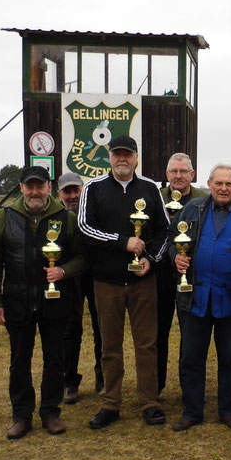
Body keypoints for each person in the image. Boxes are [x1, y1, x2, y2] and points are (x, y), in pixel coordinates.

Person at [77, 135, 168, 429]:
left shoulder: (151, 188)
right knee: (109, 345)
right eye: (117, 154)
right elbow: (85, 229)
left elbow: (164, 232)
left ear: (136, 158)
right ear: (109, 157)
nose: (122, 159)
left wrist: (150, 259)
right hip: (107, 281)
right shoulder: (94, 188)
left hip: (143, 281)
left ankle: (149, 401)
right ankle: (110, 404)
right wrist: (122, 241)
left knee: (147, 344)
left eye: (127, 154)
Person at [0, 166, 86, 438]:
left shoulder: (65, 217)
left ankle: (50, 412)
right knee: (19, 359)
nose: (34, 192)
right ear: (21, 188)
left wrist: (63, 271)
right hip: (17, 298)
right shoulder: (4, 217)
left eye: (39, 186)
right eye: (29, 186)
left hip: (55, 299)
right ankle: (21, 415)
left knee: (55, 358)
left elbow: (82, 257)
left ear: (48, 187)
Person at [169, 164, 231, 431]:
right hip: (195, 298)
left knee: (229, 358)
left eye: (229, 184)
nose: (224, 188)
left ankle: (228, 410)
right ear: (209, 184)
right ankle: (192, 411)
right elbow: (171, 240)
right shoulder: (191, 209)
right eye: (219, 183)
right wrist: (174, 257)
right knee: (191, 357)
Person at [157, 153, 207, 395]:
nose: (178, 176)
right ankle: (156, 386)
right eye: (173, 171)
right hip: (160, 276)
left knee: (190, 335)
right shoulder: (154, 199)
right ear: (167, 175)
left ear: (192, 175)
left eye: (183, 171)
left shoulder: (205, 200)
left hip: (192, 276)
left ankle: (189, 388)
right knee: (157, 334)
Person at [57, 171, 103, 403]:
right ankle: (69, 382)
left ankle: (102, 376)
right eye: (68, 191)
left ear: (83, 190)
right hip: (69, 278)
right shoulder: (57, 217)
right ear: (60, 194)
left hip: (96, 274)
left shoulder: (94, 211)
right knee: (70, 330)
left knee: (101, 327)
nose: (73, 195)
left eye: (77, 190)